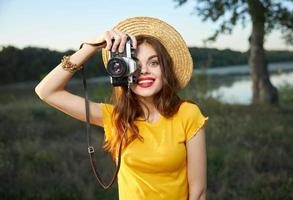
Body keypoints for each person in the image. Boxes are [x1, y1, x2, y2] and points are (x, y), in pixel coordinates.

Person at [35, 16, 208, 200]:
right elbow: (46, 91)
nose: (144, 71)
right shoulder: (114, 117)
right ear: (123, 72)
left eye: (154, 62)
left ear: (165, 70)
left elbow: (198, 193)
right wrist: (90, 47)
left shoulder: (187, 114)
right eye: (135, 64)